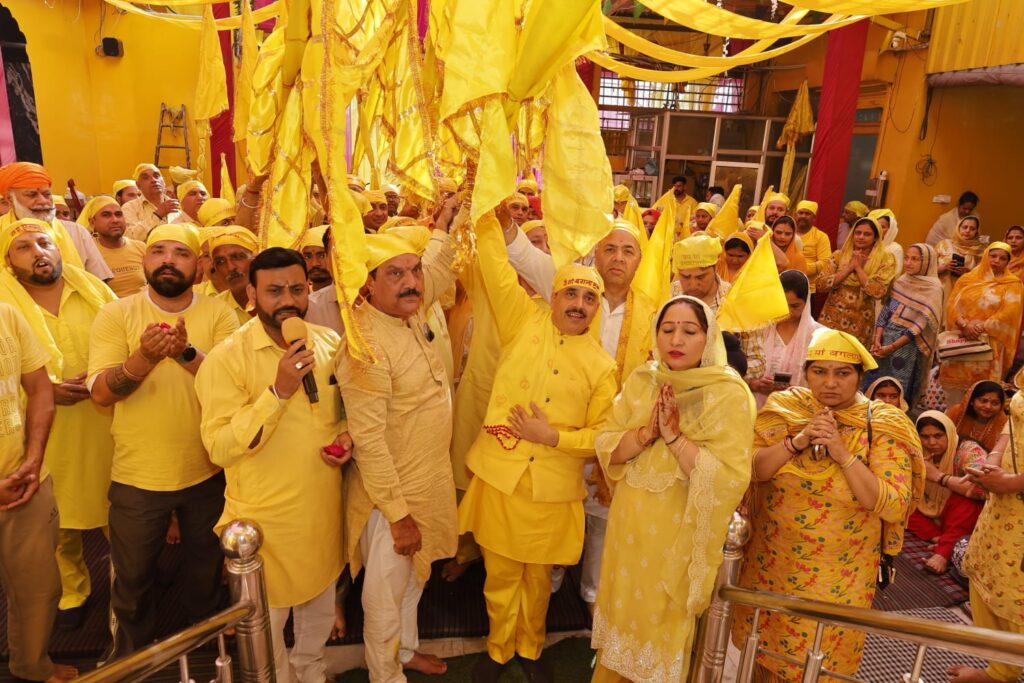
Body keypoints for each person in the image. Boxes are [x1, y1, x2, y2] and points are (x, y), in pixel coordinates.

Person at [459, 210, 616, 683]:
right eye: (571, 292)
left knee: (538, 581)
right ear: (553, 296)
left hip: (553, 487)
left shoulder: (601, 367)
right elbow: (495, 267)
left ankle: (529, 647)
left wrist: (553, 438)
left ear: (596, 309)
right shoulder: (521, 321)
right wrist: (487, 214)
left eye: (590, 298)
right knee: (501, 575)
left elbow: (602, 437)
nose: (579, 303)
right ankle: (497, 650)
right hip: (504, 479)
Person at [733, 329, 923, 681]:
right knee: (763, 657)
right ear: (806, 373)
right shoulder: (787, 409)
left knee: (820, 664)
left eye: (842, 373)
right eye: (819, 372)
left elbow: (894, 505)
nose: (830, 383)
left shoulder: (882, 424)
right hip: (773, 566)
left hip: (839, 580)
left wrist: (842, 453)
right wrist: (799, 440)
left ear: (860, 378)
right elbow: (754, 471)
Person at [197, 248, 350, 683]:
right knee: (268, 628)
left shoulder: (328, 342)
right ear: (251, 294)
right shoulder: (227, 358)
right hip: (265, 524)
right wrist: (278, 392)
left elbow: (340, 415)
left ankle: (312, 670)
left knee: (319, 610)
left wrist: (346, 438)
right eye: (274, 290)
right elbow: (220, 448)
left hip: (321, 511)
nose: (288, 299)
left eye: (297, 289)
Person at [87, 224, 239, 655]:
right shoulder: (116, 313)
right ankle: (129, 659)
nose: (168, 260)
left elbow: (232, 385)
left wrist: (186, 354)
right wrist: (144, 358)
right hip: (138, 474)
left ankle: (208, 650)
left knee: (206, 572)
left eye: (181, 252)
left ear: (200, 266)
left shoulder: (220, 314)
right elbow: (100, 392)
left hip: (208, 469)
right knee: (132, 579)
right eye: (158, 251)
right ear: (145, 260)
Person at [591, 295, 755, 683]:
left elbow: (731, 476)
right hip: (628, 534)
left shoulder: (727, 394)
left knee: (660, 633)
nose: (676, 340)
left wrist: (676, 438)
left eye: (689, 330)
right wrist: (646, 434)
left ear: (708, 337)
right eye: (667, 330)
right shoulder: (642, 381)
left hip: (675, 540)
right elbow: (608, 448)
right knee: (621, 624)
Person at [334, 218, 459, 681]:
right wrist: (398, 513)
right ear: (369, 284)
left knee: (415, 580)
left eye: (413, 271)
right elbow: (367, 441)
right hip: (391, 497)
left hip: (428, 480)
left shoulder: (412, 313)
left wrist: (451, 217)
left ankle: (405, 652)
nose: (411, 283)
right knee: (384, 599)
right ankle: (386, 675)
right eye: (395, 273)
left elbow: (440, 266)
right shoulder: (366, 345)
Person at [0, 217, 117, 630]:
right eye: (24, 248)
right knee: (58, 514)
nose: (38, 253)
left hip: (103, 418)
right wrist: (45, 389)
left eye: (44, 243)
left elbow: (121, 335)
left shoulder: (91, 287)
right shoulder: (4, 303)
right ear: (9, 261)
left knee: (116, 506)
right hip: (42, 428)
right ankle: (72, 592)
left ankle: (131, 580)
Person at [0, 301, 78, 683]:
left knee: (40, 590)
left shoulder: (6, 314)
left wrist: (32, 459)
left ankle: (32, 667)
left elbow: (39, 388)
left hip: (25, 482)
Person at [950, 387, 1024, 683]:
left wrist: (1014, 482)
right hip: (1005, 507)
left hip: (1012, 492)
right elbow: (1014, 422)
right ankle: (1001, 669)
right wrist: (991, 461)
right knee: (988, 573)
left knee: (1016, 592)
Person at [0, 162, 113, 282]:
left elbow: (100, 282)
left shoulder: (76, 232)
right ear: (10, 199)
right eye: (32, 195)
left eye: (47, 194)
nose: (43, 201)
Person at [940, 243, 1023, 404]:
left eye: (1002, 258)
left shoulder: (1013, 284)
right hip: (960, 342)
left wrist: (980, 327)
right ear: (986, 256)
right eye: (993, 256)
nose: (996, 260)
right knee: (954, 395)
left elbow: (1009, 313)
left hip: (988, 346)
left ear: (1008, 262)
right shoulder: (967, 279)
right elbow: (951, 304)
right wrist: (964, 325)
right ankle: (952, 421)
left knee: (982, 394)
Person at [907, 411, 986, 576]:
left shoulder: (966, 451)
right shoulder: (914, 450)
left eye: (938, 436)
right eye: (925, 437)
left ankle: (943, 553)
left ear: (949, 434)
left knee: (966, 503)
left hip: (960, 514)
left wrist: (938, 477)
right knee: (903, 500)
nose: (931, 442)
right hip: (931, 515)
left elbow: (981, 490)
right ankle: (941, 539)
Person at [865, 243, 943, 404]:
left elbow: (918, 327)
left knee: (898, 386)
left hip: (907, 346)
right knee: (875, 382)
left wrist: (892, 347)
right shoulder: (902, 281)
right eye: (907, 258)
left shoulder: (933, 289)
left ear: (927, 262)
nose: (908, 263)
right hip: (884, 340)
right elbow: (886, 311)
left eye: (915, 259)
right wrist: (877, 339)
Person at [741, 270, 824, 408]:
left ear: (806, 302)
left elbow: (823, 378)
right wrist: (754, 384)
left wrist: (793, 389)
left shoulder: (818, 335)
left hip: (798, 411)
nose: (788, 311)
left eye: (795, 306)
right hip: (756, 407)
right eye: (782, 303)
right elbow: (739, 367)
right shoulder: (757, 328)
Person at [816, 216, 897, 348]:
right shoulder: (839, 255)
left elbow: (878, 291)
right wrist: (848, 268)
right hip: (831, 317)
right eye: (857, 233)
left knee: (852, 362)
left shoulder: (885, 259)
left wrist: (858, 269)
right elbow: (821, 284)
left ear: (876, 237)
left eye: (867, 234)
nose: (861, 237)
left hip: (860, 322)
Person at [81, 196, 147, 298]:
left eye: (118, 214)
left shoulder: (141, 248)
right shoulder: (87, 251)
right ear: (92, 222)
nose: (115, 220)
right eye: (106, 215)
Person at [210, 226, 258, 325]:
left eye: (237, 257)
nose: (230, 267)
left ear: (256, 259)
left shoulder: (280, 299)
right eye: (220, 262)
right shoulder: (213, 311)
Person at [671, 234, 730, 312]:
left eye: (700, 277)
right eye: (686, 277)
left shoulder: (731, 297)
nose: (693, 285)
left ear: (716, 267)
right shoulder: (671, 294)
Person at [946, 381, 1008, 454]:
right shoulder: (957, 412)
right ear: (971, 400)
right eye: (983, 401)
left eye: (995, 403)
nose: (988, 406)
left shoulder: (1004, 423)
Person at [121, 164, 180, 240]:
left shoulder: (177, 206)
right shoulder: (129, 207)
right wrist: (157, 215)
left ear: (164, 182)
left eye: (157, 176)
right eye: (145, 178)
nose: (154, 180)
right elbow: (130, 237)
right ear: (138, 185)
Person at [936, 215, 984, 299]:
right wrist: (944, 267)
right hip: (939, 291)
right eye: (964, 227)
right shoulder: (944, 244)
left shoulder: (980, 251)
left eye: (972, 229)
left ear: (977, 231)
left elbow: (983, 277)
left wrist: (968, 273)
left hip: (963, 295)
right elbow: (927, 269)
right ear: (958, 228)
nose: (967, 231)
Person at [793, 200, 832, 291]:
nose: (803, 216)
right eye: (801, 213)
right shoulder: (786, 232)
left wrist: (799, 269)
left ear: (814, 218)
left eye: (807, 214)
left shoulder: (821, 236)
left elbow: (825, 262)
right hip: (783, 284)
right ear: (795, 215)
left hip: (808, 288)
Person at [297, 225, 332, 291]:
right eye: (308, 257)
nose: (314, 264)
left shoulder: (351, 298)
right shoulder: (298, 298)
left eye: (322, 256)